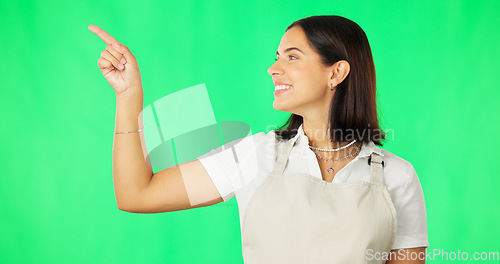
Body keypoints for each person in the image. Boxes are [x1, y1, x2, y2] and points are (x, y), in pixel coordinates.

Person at [89, 15, 428, 263]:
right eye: (277, 56)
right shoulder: (253, 156)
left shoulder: (397, 177)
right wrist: (128, 95)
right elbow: (137, 194)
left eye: (292, 57)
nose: (273, 68)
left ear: (336, 73)